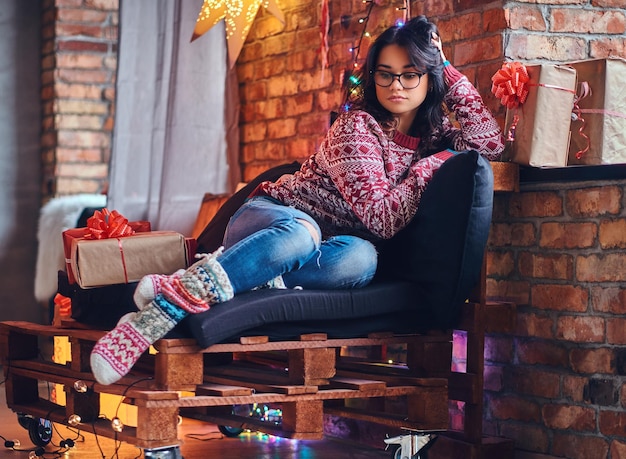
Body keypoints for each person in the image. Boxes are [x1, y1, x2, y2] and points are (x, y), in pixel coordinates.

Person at [90, 15, 504, 385]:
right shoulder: (356, 127)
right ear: (373, 78)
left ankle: (237, 278)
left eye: (411, 74)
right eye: (386, 74)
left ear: (429, 79)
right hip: (270, 218)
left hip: (326, 248)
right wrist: (428, 169)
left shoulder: (433, 137)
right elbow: (381, 218)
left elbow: (489, 142)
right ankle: (160, 312)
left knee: (363, 260)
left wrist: (445, 65)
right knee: (303, 233)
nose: (396, 85)